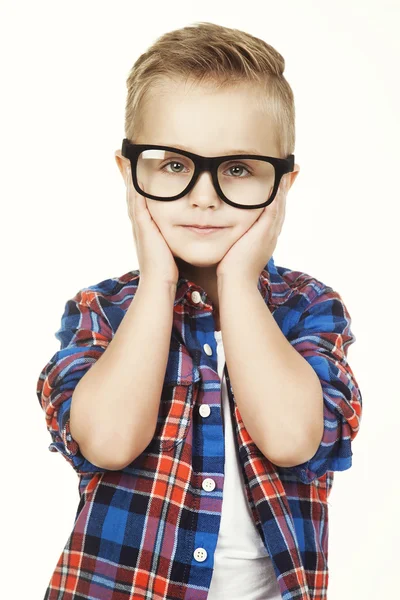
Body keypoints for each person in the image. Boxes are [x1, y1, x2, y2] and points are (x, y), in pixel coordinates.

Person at [36, 21, 363, 600]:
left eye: (238, 168)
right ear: (129, 175)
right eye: (172, 165)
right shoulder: (101, 311)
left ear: (282, 184)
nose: (204, 195)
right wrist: (158, 279)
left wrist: (238, 280)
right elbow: (108, 440)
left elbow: (292, 438)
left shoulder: (311, 308)